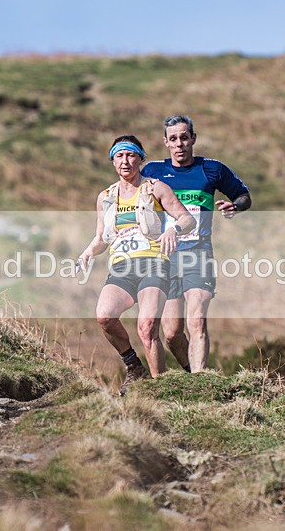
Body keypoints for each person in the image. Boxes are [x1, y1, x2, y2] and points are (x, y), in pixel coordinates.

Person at [79, 135, 195, 396]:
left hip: (154, 263)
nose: (125, 161)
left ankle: (160, 391)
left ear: (141, 158)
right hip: (122, 267)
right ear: (112, 161)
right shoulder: (106, 197)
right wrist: (88, 252)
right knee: (105, 316)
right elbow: (101, 238)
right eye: (119, 156)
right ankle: (134, 366)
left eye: (131, 155)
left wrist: (173, 230)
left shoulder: (156, 188)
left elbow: (188, 220)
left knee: (147, 327)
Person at [141, 115, 251, 373]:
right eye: (173, 139)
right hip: (165, 258)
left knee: (197, 320)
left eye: (184, 137)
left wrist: (234, 205)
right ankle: (192, 374)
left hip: (198, 254)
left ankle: (200, 383)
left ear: (193, 138)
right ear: (165, 142)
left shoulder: (212, 169)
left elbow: (244, 196)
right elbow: (128, 192)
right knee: (170, 333)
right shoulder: (153, 172)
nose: (179, 144)